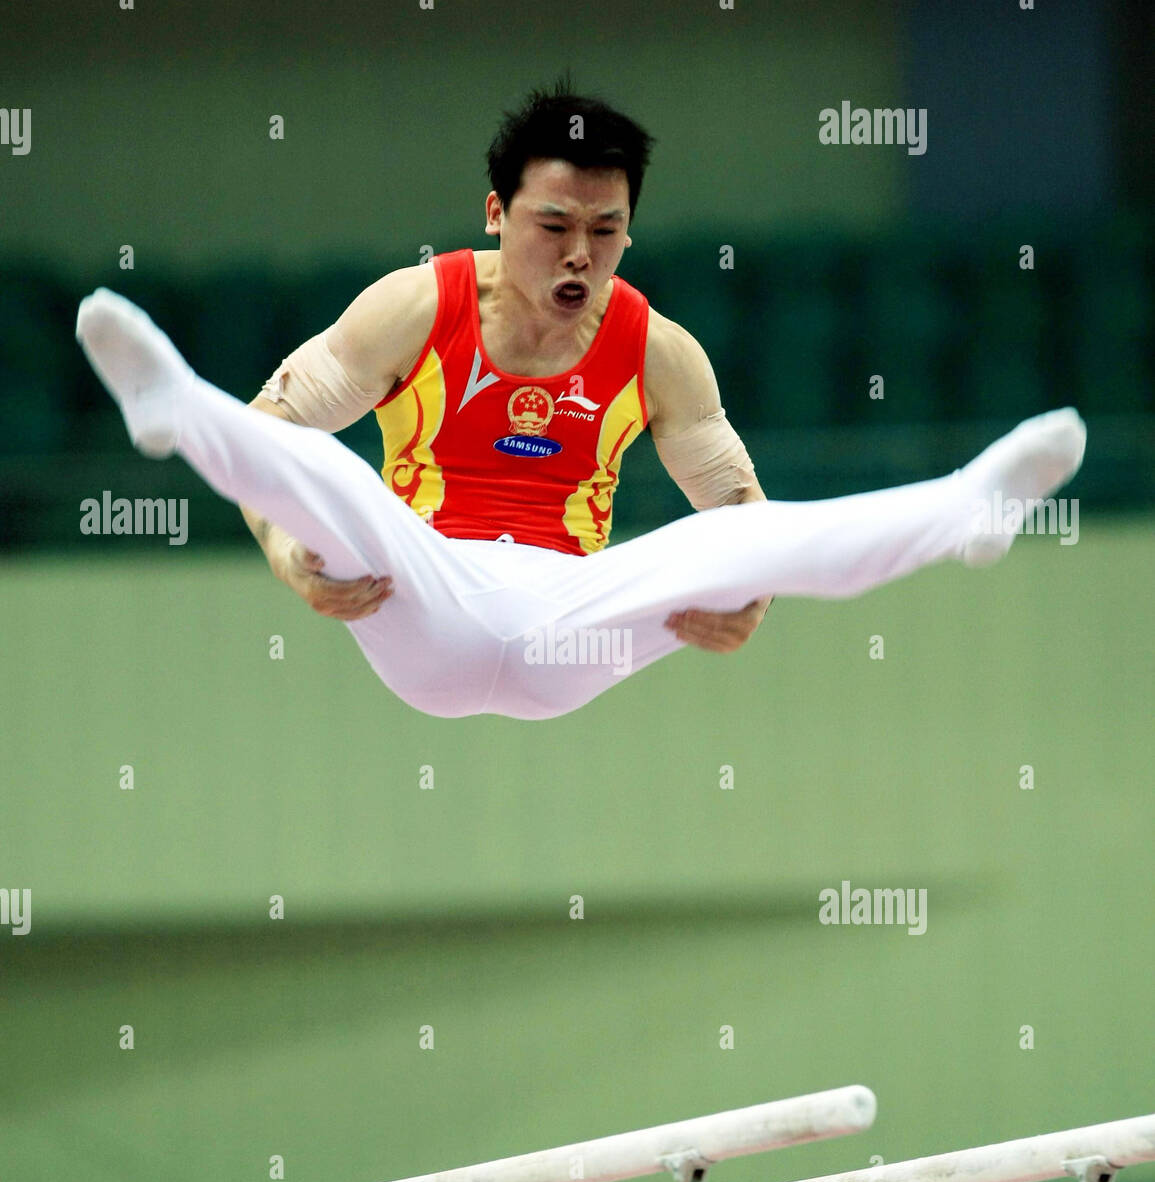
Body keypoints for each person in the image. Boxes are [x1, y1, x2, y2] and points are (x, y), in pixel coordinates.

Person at [74, 82, 1086, 721]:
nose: (577, 253)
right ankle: (179, 408)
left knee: (738, 545)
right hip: (420, 590)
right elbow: (286, 421)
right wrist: (286, 555)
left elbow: (738, 511)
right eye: (553, 222)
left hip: (573, 621)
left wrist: (750, 600)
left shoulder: (661, 353)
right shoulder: (417, 307)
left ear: (631, 229)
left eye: (605, 229)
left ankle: (965, 513)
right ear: (495, 213)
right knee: (330, 477)